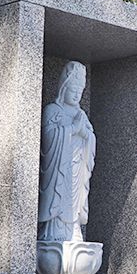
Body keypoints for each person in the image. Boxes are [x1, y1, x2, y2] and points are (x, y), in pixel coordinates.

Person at [37, 61, 96, 242]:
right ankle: (54, 230)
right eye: (73, 91)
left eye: (80, 92)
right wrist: (72, 129)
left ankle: (74, 229)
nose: (77, 95)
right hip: (58, 168)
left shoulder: (82, 115)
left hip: (77, 166)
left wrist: (84, 133)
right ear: (63, 88)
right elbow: (48, 138)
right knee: (58, 194)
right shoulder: (53, 110)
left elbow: (91, 138)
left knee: (76, 198)